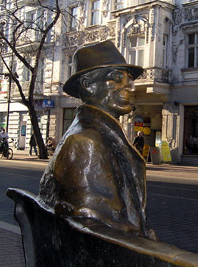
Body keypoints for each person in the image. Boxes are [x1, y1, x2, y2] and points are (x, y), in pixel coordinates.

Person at [39, 40, 156, 240]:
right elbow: (96, 228)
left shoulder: (101, 134)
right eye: (117, 78)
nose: (131, 87)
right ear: (88, 85)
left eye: (129, 79)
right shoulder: (85, 142)